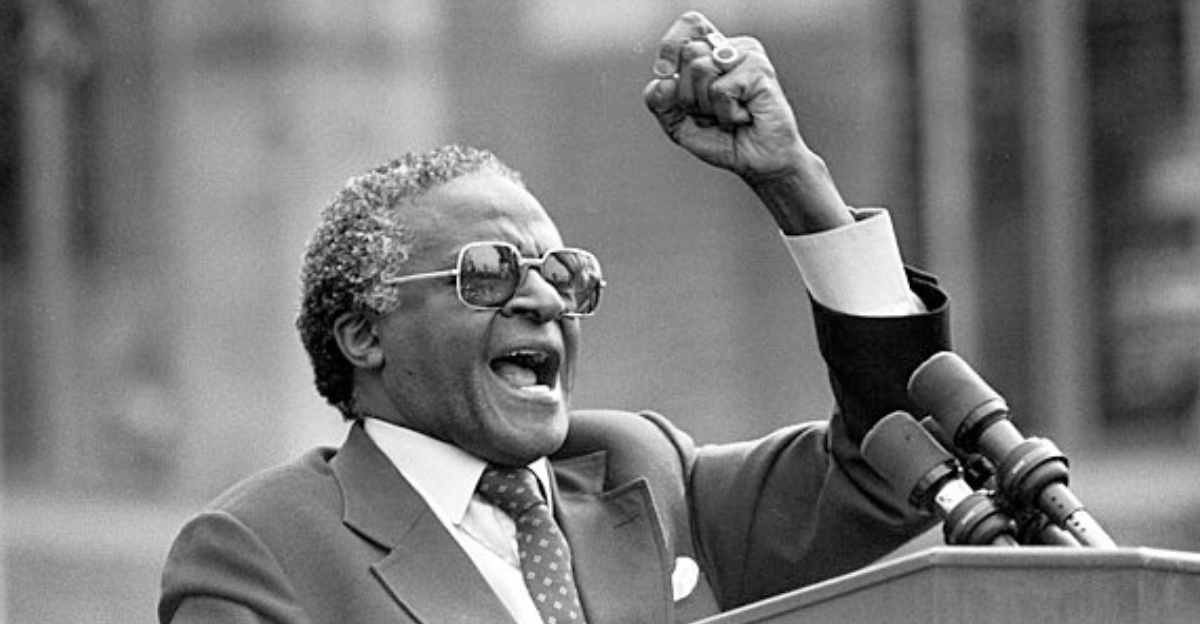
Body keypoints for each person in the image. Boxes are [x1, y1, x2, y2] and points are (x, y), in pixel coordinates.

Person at [158, 12, 950, 624]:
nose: (543, 301)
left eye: (564, 275)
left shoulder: (646, 473)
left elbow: (898, 462)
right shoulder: (263, 550)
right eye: (491, 273)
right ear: (365, 333)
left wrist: (793, 180)